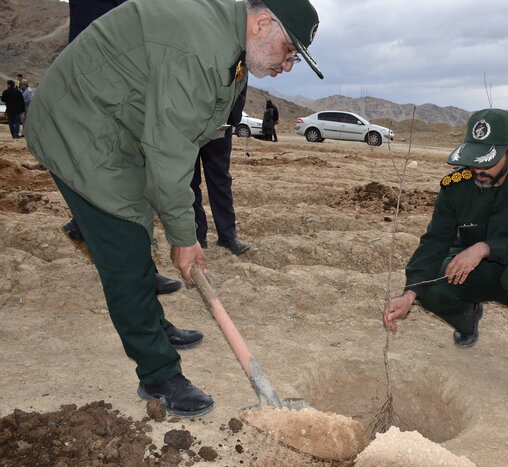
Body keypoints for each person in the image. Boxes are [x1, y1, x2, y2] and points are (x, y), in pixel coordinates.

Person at [25, 0, 323, 417]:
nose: (288, 65)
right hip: (77, 125)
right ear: (261, 23)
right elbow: (169, 154)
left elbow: (183, 139)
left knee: (141, 212)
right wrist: (184, 239)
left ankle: (155, 325)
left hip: (120, 123)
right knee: (125, 243)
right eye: (290, 52)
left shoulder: (229, 44)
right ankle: (159, 375)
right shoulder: (200, 50)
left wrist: (178, 220)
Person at [383, 109, 508, 406]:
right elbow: (435, 241)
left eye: (487, 161)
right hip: (470, 272)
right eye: (473, 158)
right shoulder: (456, 185)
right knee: (431, 286)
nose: (478, 169)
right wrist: (409, 294)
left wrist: (483, 248)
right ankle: (468, 320)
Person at [62, 0, 183, 296]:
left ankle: (135, 265)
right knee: (124, 188)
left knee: (129, 186)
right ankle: (137, 275)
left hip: (115, 90)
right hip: (103, 93)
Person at [192, 85, 252, 255]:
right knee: (189, 181)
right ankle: (197, 235)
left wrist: (230, 119)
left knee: (221, 181)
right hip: (190, 124)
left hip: (220, 127)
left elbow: (239, 88)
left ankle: (227, 236)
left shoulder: (236, 59)